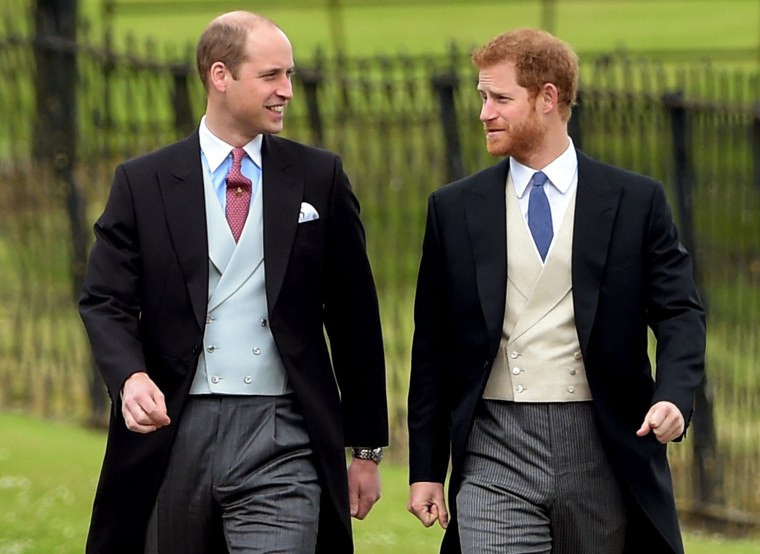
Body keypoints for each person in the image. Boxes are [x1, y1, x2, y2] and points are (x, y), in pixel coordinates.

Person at [79, 10, 388, 554]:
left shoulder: (320, 176)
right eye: (272, 76)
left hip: (283, 433)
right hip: (172, 430)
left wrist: (365, 450)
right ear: (220, 76)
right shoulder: (143, 181)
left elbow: (354, 316)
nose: (287, 90)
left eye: (289, 75)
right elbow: (105, 299)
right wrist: (128, 377)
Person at [407, 28, 705, 554]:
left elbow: (679, 312)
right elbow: (432, 347)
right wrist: (426, 468)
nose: (484, 113)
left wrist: (675, 398)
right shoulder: (453, 208)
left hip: (604, 444)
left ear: (548, 98)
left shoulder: (636, 201)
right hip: (494, 446)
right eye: (482, 98)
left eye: (500, 99)